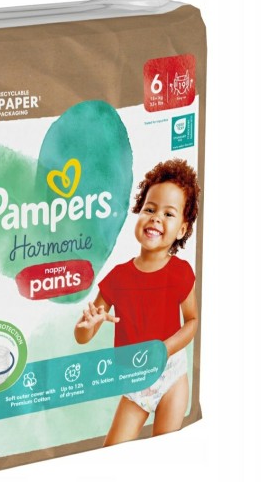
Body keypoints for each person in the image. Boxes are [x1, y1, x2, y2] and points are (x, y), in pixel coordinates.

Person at [74, 158, 200, 445]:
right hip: (134, 381)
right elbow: (82, 337)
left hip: (172, 375)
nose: (155, 218)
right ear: (138, 213)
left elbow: (192, 321)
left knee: (164, 450)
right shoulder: (117, 277)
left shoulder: (180, 272)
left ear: (182, 230)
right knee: (112, 451)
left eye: (168, 214)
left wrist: (165, 349)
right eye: (150, 209)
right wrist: (86, 325)